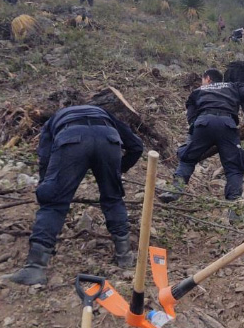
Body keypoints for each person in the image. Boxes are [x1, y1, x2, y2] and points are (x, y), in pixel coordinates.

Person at [8, 105, 145, 285]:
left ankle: (35, 268)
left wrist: (46, 185)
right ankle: (125, 257)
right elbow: (136, 146)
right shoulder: (104, 114)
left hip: (70, 140)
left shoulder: (53, 120)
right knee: (113, 198)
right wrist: (118, 171)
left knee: (54, 203)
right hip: (108, 139)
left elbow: (45, 157)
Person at [159, 69, 244, 213]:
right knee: (234, 167)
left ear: (207, 79)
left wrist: (197, 129)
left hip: (203, 124)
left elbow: (191, 113)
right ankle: (234, 207)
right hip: (227, 125)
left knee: (187, 158)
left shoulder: (199, 91)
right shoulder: (232, 87)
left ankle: (174, 191)